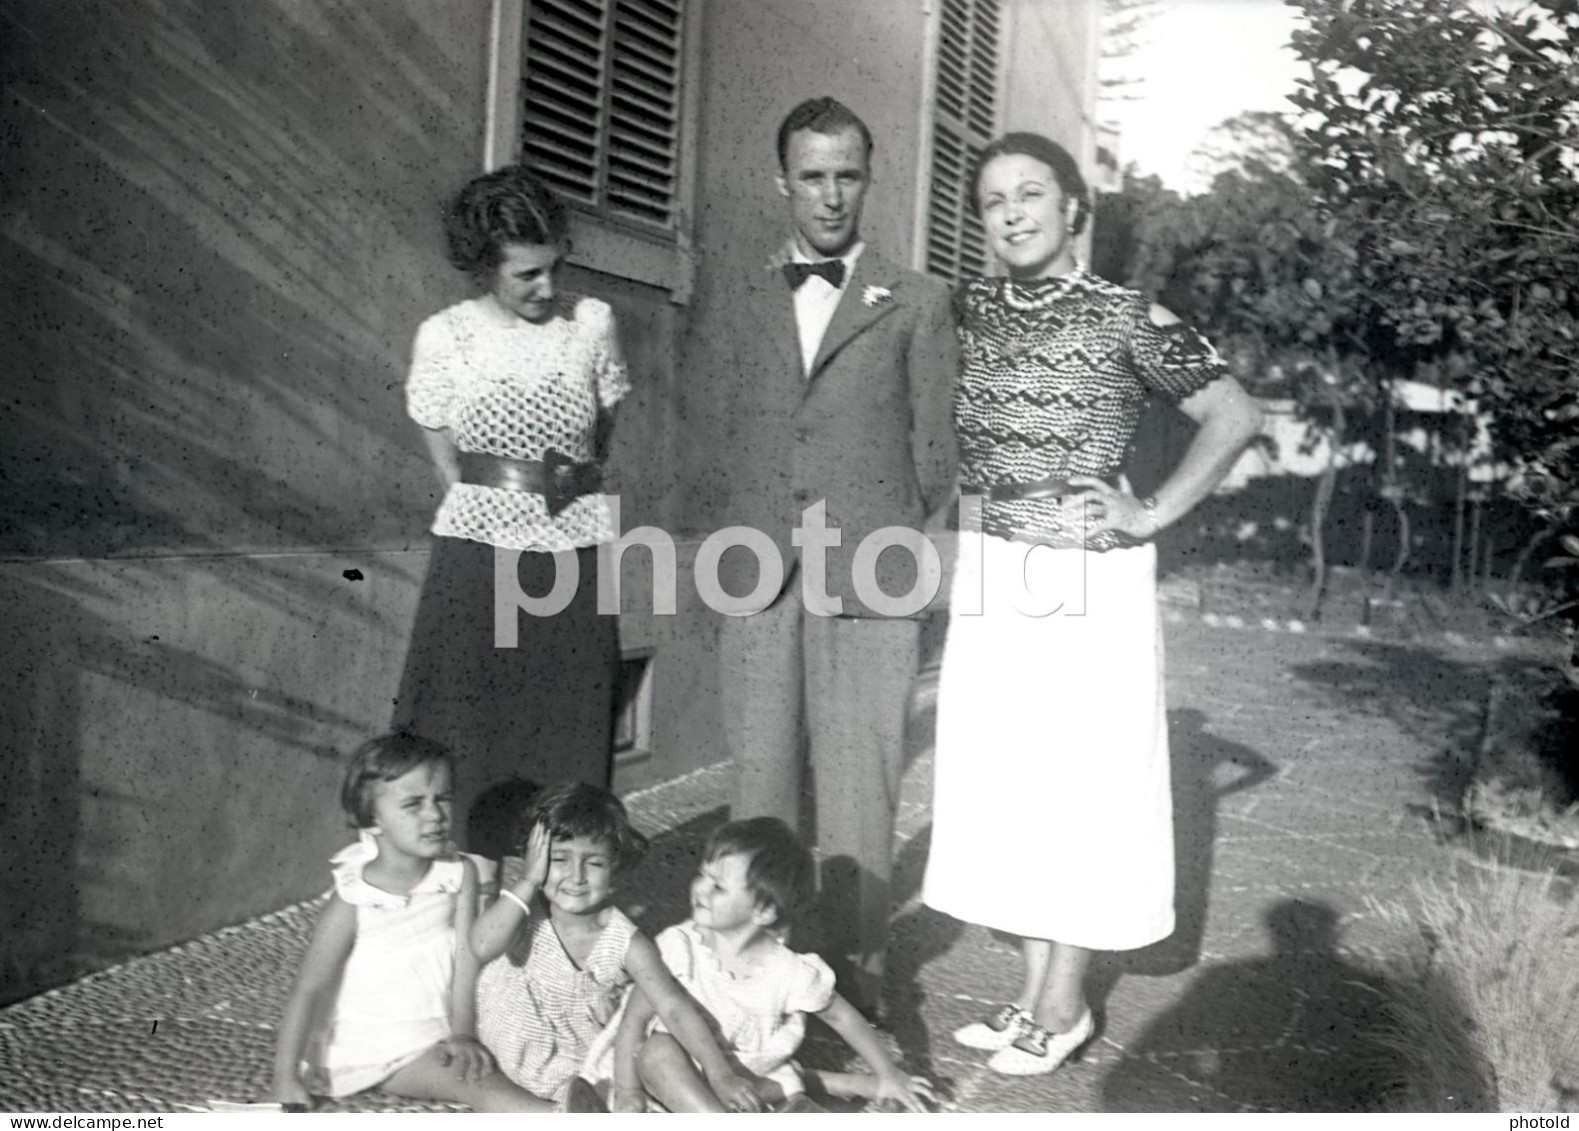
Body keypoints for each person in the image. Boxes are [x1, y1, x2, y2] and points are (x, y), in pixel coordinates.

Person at [921, 132, 1263, 1076]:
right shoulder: (972, 313)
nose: (1014, 214)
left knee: (1075, 784)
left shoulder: (1126, 316)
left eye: (1032, 194)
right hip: (995, 567)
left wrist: (1149, 511)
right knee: (1012, 783)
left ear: (1076, 209)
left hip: (1087, 575)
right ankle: (1033, 992)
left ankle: (1065, 1003)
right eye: (994, 200)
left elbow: (1235, 414)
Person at [694, 96, 960, 1016]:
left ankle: (857, 987)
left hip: (868, 575)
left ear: (869, 178)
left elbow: (937, 456)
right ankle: (748, 985)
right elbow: (713, 431)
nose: (830, 193)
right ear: (783, 182)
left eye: (847, 173)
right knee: (760, 790)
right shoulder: (741, 289)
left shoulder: (918, 301)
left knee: (859, 793)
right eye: (812, 174)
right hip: (757, 571)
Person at [395, 165, 628, 825]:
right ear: (483, 266)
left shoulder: (592, 323)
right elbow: (449, 461)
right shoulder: (445, 336)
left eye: (554, 267)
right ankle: (477, 905)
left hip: (573, 550)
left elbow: (598, 439)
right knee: (469, 732)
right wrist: (506, 509)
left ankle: (560, 902)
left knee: (569, 733)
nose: (547, 287)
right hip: (477, 557)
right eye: (526, 274)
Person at [271, 732, 542, 1111]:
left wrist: (464, 1033)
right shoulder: (355, 894)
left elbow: (466, 960)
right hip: (379, 1044)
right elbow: (310, 986)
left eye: (443, 798)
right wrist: (285, 1075)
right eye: (414, 804)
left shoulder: (458, 871)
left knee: (523, 1043)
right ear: (372, 819)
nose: (434, 815)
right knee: (473, 1080)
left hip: (443, 1026)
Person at [600, 817, 935, 1113]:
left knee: (777, 1084)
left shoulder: (789, 972)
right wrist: (628, 1093)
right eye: (702, 874)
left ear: (763, 911)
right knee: (656, 1051)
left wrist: (889, 1073)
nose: (700, 888)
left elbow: (841, 1016)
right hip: (679, 1065)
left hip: (750, 1074)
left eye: (718, 886)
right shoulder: (678, 947)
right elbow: (634, 1018)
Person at [469, 783, 757, 1111]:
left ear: (616, 870)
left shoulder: (625, 941)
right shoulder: (524, 911)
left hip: (580, 1075)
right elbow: (480, 946)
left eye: (593, 863)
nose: (576, 877)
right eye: (559, 859)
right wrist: (528, 880)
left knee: (643, 1075)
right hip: (502, 1057)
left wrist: (721, 1074)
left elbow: (673, 1005)